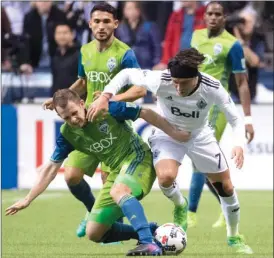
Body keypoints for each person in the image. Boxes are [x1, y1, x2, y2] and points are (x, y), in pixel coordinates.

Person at [88, 48, 254, 254]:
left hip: (199, 136)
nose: (177, 87)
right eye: (174, 82)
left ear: (195, 78)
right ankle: (181, 205)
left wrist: (238, 143)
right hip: (167, 132)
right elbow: (126, 74)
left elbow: (235, 119)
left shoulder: (212, 87)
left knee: (226, 188)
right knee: (166, 177)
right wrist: (106, 96)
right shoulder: (161, 79)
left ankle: (234, 236)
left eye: (182, 83)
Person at [6, 89, 191, 256]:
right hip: (117, 174)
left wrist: (174, 133)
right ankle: (151, 232)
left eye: (74, 113)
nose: (73, 120)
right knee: (94, 232)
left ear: (81, 104)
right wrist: (28, 199)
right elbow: (51, 168)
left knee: (118, 191)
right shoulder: (67, 134)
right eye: (66, 118)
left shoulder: (106, 109)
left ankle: (147, 243)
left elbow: (145, 112)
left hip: (138, 158)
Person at [42, 3, 146, 238]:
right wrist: (60, 99)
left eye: (106, 21)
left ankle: (121, 232)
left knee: (110, 186)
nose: (101, 26)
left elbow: (140, 90)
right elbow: (83, 82)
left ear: (115, 24)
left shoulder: (125, 53)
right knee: (71, 175)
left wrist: (110, 99)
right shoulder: (85, 51)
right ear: (90, 24)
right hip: (85, 124)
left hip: (112, 125)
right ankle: (92, 213)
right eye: (96, 21)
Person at [188, 1, 255, 229]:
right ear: (204, 16)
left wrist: (247, 119)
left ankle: (189, 213)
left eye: (218, 14)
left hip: (217, 107)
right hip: (193, 105)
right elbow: (189, 70)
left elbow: (242, 83)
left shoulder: (232, 45)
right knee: (208, 166)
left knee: (200, 156)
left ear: (224, 18)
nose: (214, 17)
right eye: (210, 13)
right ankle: (228, 207)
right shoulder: (196, 37)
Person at [51, 22, 80, 95]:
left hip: (76, 100)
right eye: (58, 33)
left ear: (72, 34)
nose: (61, 36)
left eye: (65, 33)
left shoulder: (81, 54)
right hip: (59, 101)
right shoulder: (55, 56)